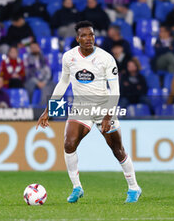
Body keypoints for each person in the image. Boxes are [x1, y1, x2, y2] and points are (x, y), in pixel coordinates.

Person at [36, 21, 142, 203]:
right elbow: (63, 83)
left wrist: (109, 115)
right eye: (84, 35)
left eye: (91, 35)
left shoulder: (106, 58)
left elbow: (115, 90)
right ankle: (77, 187)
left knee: (117, 149)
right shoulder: (69, 57)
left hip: (103, 108)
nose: (88, 38)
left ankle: (134, 187)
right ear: (77, 39)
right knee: (69, 143)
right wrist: (49, 109)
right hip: (81, 107)